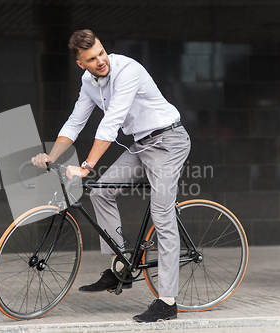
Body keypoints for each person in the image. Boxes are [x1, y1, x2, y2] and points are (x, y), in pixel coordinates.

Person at [31, 29, 190, 322]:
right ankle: (123, 267)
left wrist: (86, 166)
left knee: (162, 214)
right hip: (141, 144)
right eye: (92, 59)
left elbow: (112, 121)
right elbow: (76, 121)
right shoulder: (87, 82)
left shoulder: (127, 70)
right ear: (81, 63)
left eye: (102, 53)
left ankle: (167, 302)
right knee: (101, 191)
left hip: (168, 141)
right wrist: (50, 157)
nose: (100, 61)